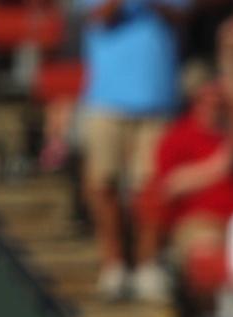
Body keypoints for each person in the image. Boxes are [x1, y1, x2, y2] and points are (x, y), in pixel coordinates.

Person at [76, 0, 188, 301]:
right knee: (102, 185)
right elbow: (96, 16)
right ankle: (113, 265)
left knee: (151, 190)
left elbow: (182, 14)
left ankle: (146, 265)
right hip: (105, 101)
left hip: (158, 100)